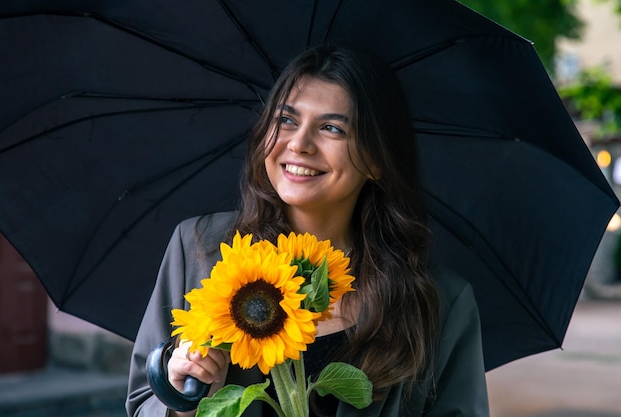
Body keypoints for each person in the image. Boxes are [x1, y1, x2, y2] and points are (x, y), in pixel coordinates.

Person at [126, 44, 489, 417]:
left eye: (331, 128)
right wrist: (183, 400)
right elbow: (142, 404)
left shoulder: (439, 302)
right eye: (286, 120)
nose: (299, 144)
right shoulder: (199, 250)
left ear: (377, 160)